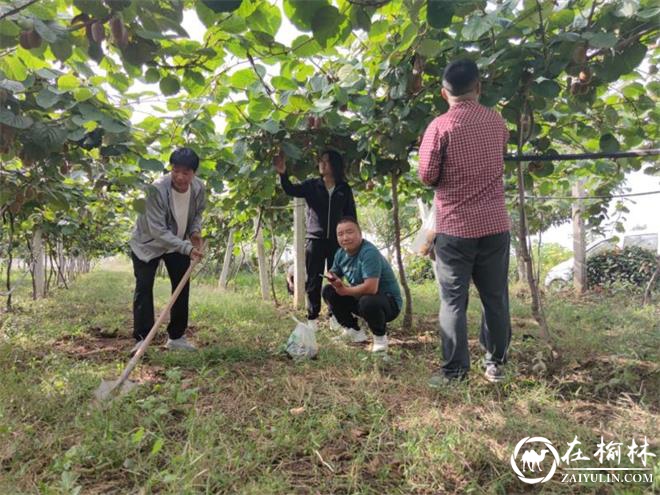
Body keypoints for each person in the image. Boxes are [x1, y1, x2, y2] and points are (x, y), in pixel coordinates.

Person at [418, 59, 511, 385]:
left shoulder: (439, 127)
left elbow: (427, 176)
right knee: (495, 297)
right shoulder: (497, 122)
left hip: (455, 228)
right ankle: (496, 365)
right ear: (478, 87)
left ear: (445, 93)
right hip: (495, 225)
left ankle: (455, 372)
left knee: (454, 300)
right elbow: (501, 152)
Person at [129, 147, 205, 354]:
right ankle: (142, 338)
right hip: (148, 244)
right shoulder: (156, 190)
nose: (180, 177)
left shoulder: (198, 188)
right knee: (144, 288)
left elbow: (197, 213)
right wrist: (187, 248)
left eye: (186, 172)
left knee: (181, 287)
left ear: (194, 173)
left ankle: (176, 337)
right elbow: (157, 230)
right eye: (175, 170)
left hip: (178, 244)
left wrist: (195, 232)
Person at [274, 148, 357, 331]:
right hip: (315, 239)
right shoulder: (312, 185)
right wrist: (283, 174)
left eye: (326, 161)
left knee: (335, 279)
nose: (322, 164)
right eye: (321, 161)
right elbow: (290, 189)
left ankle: (334, 315)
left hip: (337, 242)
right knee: (313, 279)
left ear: (334, 165)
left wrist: (351, 240)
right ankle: (312, 318)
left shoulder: (344, 189)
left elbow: (351, 215)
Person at [322, 217, 402, 353]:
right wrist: (333, 278)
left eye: (349, 232)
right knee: (329, 291)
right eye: (340, 234)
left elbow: (371, 288)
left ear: (360, 234)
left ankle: (380, 338)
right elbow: (334, 272)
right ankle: (353, 331)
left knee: (368, 300)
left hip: (387, 303)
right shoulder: (340, 253)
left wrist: (345, 290)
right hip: (361, 299)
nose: (345, 237)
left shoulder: (369, 252)